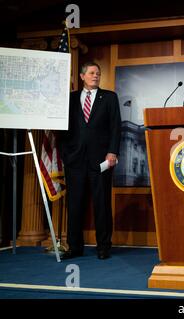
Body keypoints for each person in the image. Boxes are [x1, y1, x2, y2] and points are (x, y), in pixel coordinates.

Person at [59, 62, 121, 260]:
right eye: (92, 73)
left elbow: (115, 127)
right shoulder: (69, 99)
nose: (96, 76)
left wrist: (112, 152)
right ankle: (74, 247)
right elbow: (61, 128)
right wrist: (65, 154)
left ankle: (104, 247)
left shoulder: (110, 97)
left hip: (101, 160)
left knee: (101, 205)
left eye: (98, 73)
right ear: (82, 75)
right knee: (75, 204)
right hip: (75, 160)